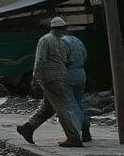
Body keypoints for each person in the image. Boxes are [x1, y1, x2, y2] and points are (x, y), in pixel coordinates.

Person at [16, 17, 83, 148]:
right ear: (62, 28)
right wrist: (36, 76)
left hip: (50, 78)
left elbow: (40, 59)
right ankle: (73, 136)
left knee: (49, 107)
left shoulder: (48, 40)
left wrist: (35, 76)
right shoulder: (59, 42)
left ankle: (28, 128)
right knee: (61, 106)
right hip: (53, 78)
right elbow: (44, 60)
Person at [61, 29, 91, 142]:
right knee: (78, 102)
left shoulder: (62, 42)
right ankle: (86, 128)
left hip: (68, 74)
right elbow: (85, 56)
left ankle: (80, 129)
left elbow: (62, 60)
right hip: (81, 73)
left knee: (71, 104)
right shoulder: (78, 41)